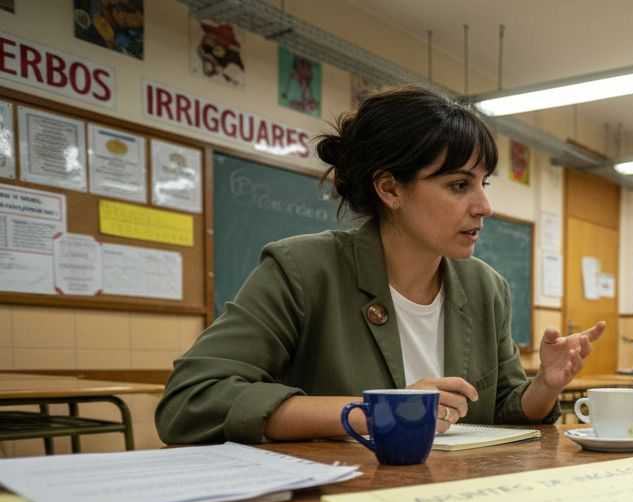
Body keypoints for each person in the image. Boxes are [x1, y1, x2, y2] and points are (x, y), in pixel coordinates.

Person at [156, 86, 604, 444]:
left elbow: (502, 409)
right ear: (390, 189)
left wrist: (545, 383)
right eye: (458, 184)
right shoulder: (302, 268)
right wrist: (376, 413)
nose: (484, 205)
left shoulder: (486, 288)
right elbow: (191, 400)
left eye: (483, 184)